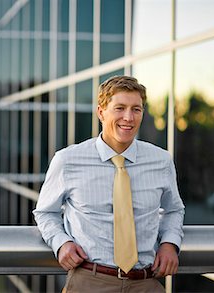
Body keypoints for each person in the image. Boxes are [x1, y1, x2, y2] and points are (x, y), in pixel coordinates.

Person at [33, 75, 185, 292]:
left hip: (146, 281)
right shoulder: (67, 160)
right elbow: (45, 212)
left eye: (136, 109)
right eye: (120, 108)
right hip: (89, 280)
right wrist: (61, 243)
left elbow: (174, 209)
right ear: (101, 112)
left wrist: (170, 243)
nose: (128, 117)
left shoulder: (161, 161)